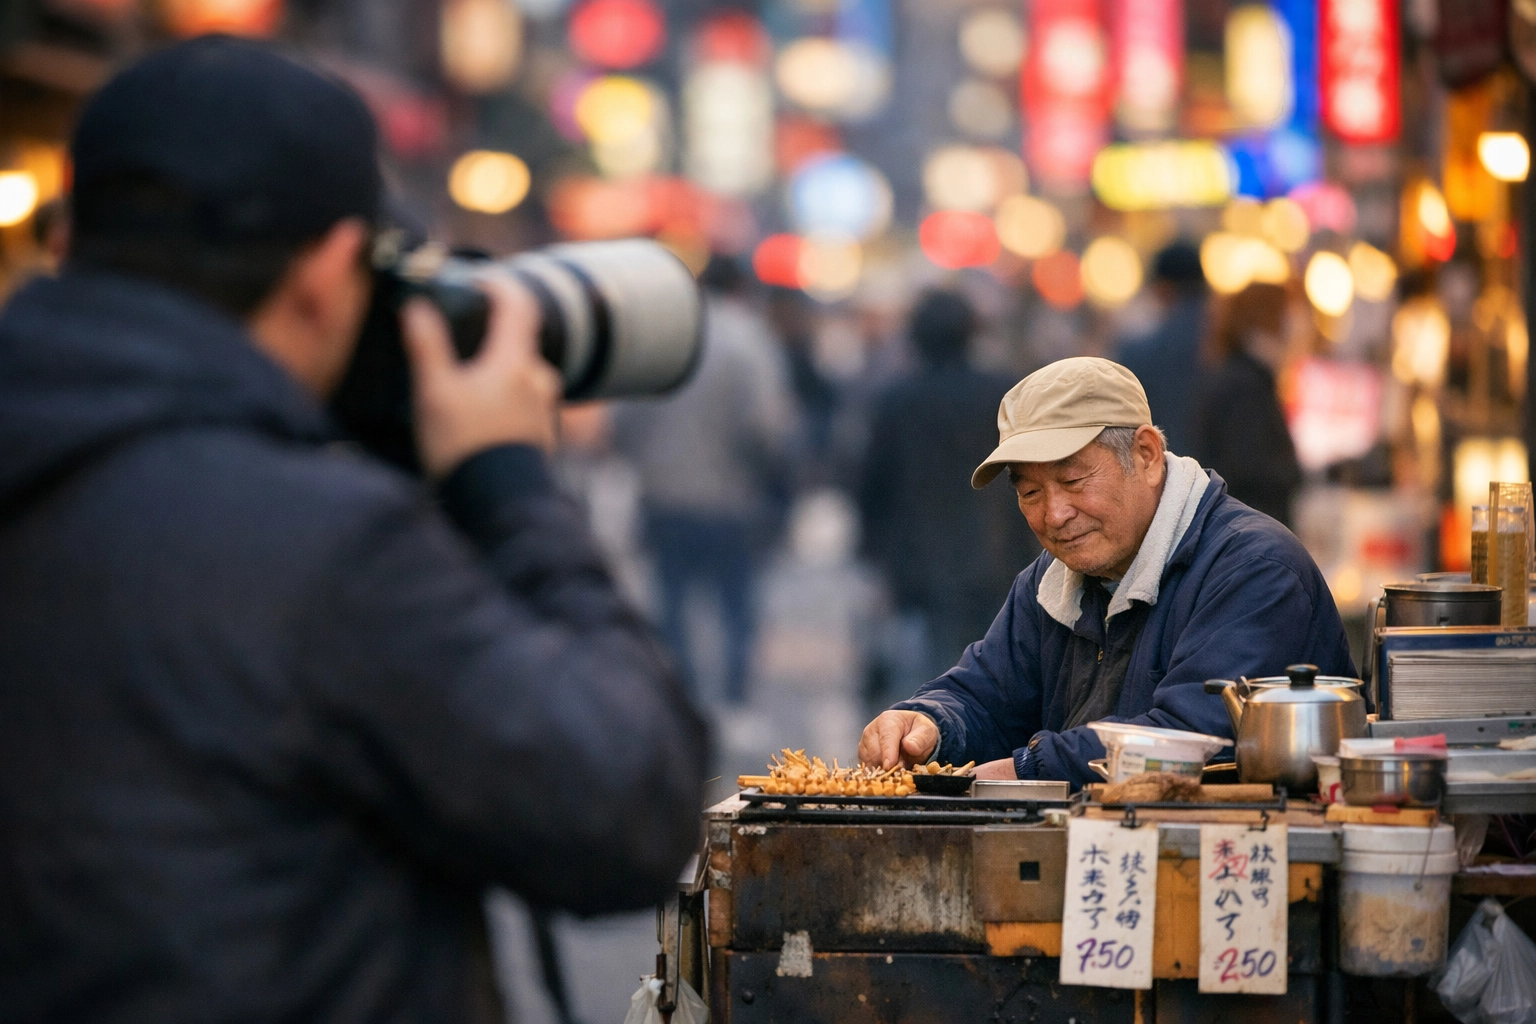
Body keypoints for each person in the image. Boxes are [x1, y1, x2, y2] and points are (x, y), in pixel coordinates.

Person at [0, 38, 706, 1021]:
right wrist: (505, 479)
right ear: (330, 271)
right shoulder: (314, 547)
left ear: (69, 244)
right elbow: (627, 805)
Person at [857, 357, 1353, 789]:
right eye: (1030, 493)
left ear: (1147, 456)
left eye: (1073, 480)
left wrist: (1028, 770)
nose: (1054, 515)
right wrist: (928, 723)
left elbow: (1190, 738)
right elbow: (988, 693)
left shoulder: (1253, 570)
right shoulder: (1051, 580)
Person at [613, 257, 796, 705]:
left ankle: (683, 697)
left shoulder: (661, 338)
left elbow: (623, 422)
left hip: (664, 496)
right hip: (730, 498)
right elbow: (766, 428)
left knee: (672, 606)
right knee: (736, 607)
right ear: (740, 288)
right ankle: (735, 701)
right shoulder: (750, 339)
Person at [858, 289, 1039, 691]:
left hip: (915, 555)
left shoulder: (896, 399)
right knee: (996, 664)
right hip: (995, 553)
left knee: (926, 672)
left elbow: (872, 483)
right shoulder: (1003, 394)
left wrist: (873, 550)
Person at [1191, 282, 1303, 527]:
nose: (1297, 324)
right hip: (1252, 538)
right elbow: (1252, 474)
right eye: (1289, 313)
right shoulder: (1245, 386)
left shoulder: (1241, 377)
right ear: (1268, 317)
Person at [1111, 239, 1208, 457]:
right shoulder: (1227, 343)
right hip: (1227, 482)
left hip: (1168, 470)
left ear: (1162, 287)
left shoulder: (1139, 352)